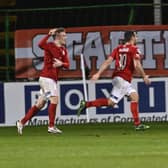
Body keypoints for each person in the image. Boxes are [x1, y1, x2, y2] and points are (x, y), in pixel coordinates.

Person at [77, 31, 151, 130]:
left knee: (111, 102)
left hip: (116, 78)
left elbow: (108, 61)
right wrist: (144, 76)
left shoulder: (118, 49)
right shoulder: (134, 49)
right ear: (132, 37)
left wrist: (98, 73)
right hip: (123, 79)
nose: (137, 38)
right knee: (135, 97)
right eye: (136, 36)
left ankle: (86, 104)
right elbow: (137, 64)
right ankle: (137, 124)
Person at [16, 27, 70, 135]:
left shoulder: (63, 50)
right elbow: (40, 44)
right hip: (46, 77)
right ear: (58, 36)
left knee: (40, 104)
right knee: (55, 99)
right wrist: (49, 34)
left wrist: (61, 64)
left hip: (52, 79)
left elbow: (68, 65)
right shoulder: (49, 46)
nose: (66, 37)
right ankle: (51, 126)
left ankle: (21, 122)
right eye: (64, 35)